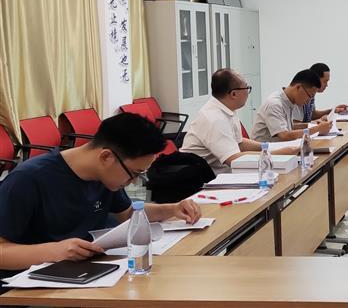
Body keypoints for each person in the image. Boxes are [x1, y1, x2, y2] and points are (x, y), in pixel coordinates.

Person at [0, 113, 201, 279]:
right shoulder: (28, 179)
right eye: (134, 173)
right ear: (106, 157)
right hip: (34, 285)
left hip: (87, 273)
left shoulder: (104, 176)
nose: (134, 182)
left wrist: (173, 208)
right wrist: (54, 251)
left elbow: (129, 213)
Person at [181, 68, 302, 174]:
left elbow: (240, 143)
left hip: (221, 173)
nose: (248, 92)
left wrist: (272, 147)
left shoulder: (227, 109)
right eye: (246, 88)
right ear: (234, 94)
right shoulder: (214, 119)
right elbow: (234, 159)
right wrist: (277, 153)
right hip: (203, 180)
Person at [251, 69, 331, 142]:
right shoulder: (275, 104)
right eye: (310, 96)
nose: (309, 101)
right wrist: (317, 129)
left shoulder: (288, 101)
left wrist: (313, 125)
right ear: (298, 87)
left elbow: (289, 127)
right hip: (264, 152)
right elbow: (284, 135)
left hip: (281, 149)